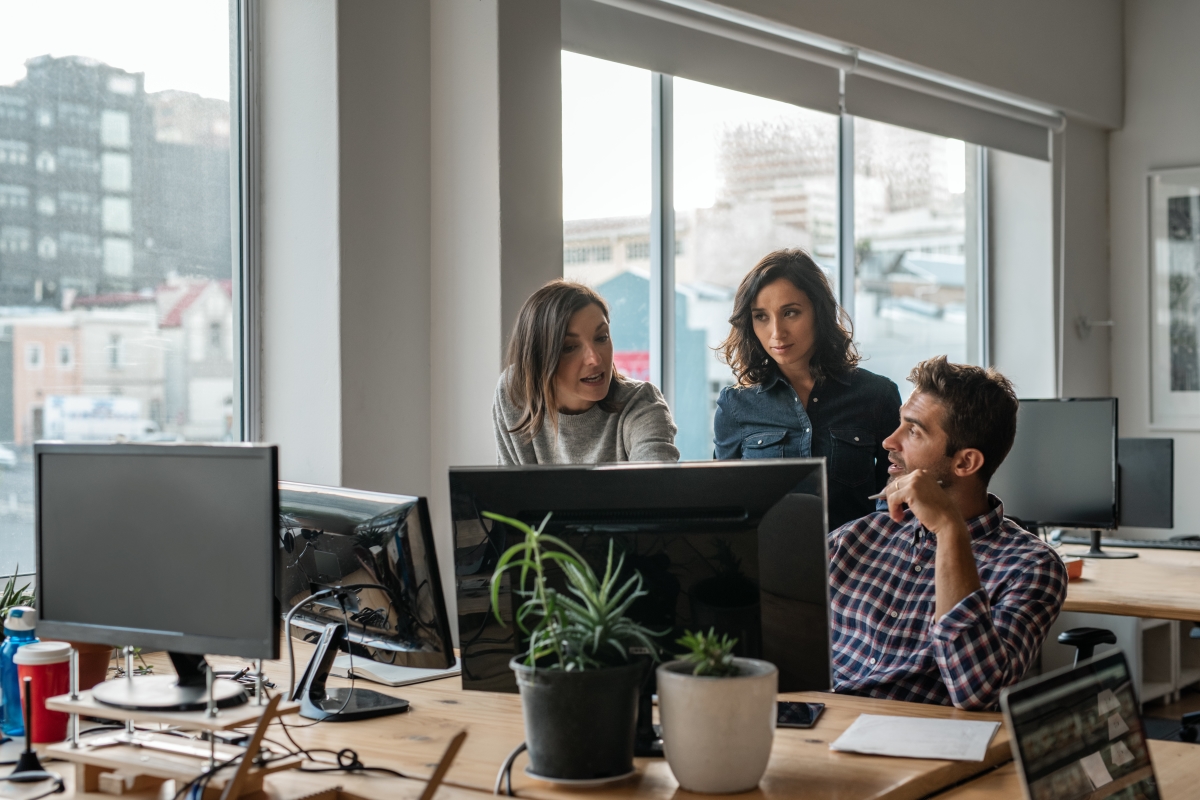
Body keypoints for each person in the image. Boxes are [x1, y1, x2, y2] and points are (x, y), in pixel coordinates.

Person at [829, 356, 1067, 711]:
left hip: (915, 747)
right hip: (816, 734)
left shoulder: (1031, 567)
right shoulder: (855, 539)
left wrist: (948, 529)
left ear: (965, 463)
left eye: (913, 431)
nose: (889, 442)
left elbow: (978, 693)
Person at [713, 249, 901, 529]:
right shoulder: (735, 405)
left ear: (819, 311)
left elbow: (896, 496)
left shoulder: (877, 396)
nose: (777, 332)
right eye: (761, 316)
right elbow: (724, 508)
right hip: (768, 566)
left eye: (790, 312)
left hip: (860, 567)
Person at [493, 279, 680, 464]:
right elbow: (509, 490)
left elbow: (656, 486)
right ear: (538, 358)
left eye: (601, 337)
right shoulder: (515, 391)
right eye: (569, 347)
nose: (595, 359)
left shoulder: (641, 404)